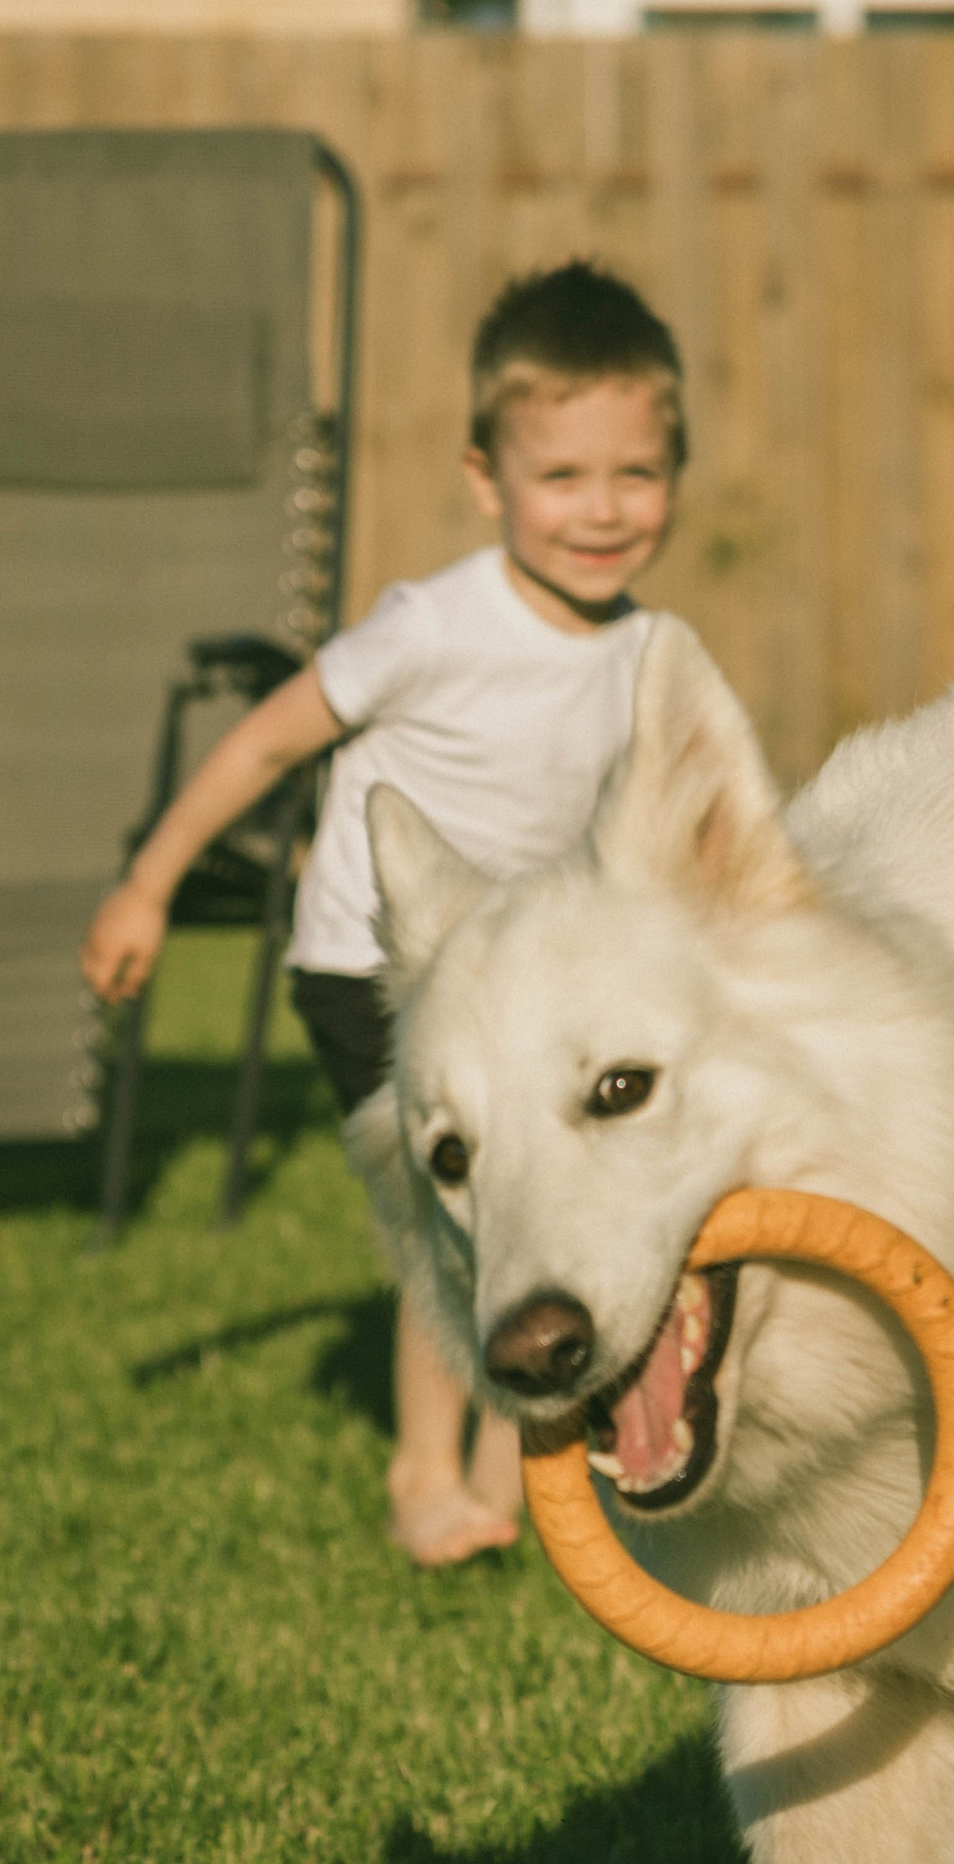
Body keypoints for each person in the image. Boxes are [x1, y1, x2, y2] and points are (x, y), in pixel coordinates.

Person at [83, 259, 691, 1568]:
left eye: (635, 476)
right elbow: (261, 746)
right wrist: (150, 883)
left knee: (535, 1200)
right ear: (488, 481)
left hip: (511, 980)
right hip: (368, 961)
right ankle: (428, 1472)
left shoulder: (646, 655)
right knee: (447, 1218)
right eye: (562, 478)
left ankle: (507, 1469)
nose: (602, 512)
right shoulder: (434, 626)